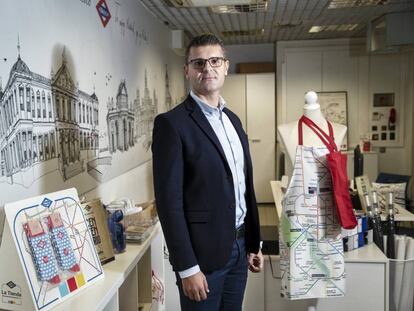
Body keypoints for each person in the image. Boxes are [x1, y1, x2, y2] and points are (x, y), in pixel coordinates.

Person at [152, 33, 263, 310]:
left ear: (226, 66)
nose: (208, 68)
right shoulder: (172, 124)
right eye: (199, 63)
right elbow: (169, 203)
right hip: (202, 258)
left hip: (238, 250)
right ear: (187, 70)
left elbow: (243, 186)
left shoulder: (233, 121)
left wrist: (252, 242)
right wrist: (187, 268)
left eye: (214, 61)